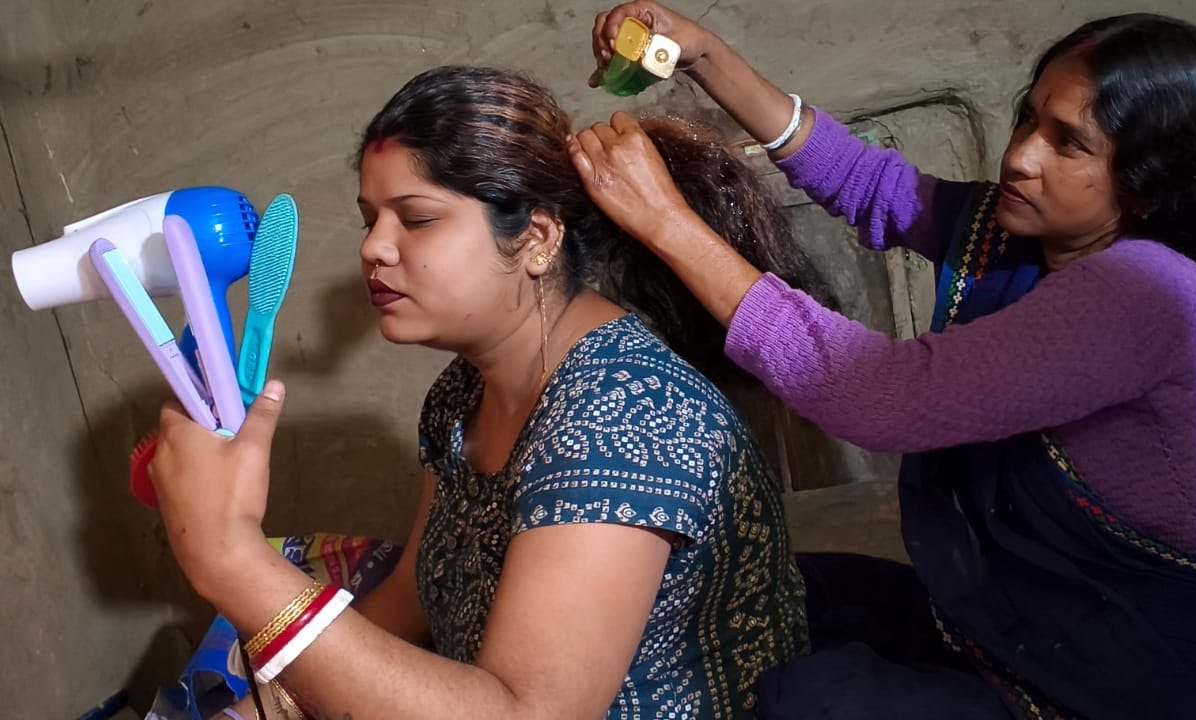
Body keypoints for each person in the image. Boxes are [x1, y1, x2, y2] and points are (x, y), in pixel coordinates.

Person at [571, 4, 1196, 717]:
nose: (1021, 156)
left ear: (1149, 186)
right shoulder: (1027, 240)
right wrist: (703, 56)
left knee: (812, 699)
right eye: (1028, 119)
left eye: (1069, 143)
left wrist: (668, 224)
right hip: (1020, 633)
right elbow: (869, 186)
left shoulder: (1151, 294)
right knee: (767, 591)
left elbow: (880, 395)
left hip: (1147, 682)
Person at [148, 65, 823, 719]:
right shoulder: (460, 394)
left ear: (536, 238)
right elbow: (417, 591)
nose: (373, 248)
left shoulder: (627, 417)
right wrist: (264, 709)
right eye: (369, 219)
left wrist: (231, 557)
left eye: (415, 219)